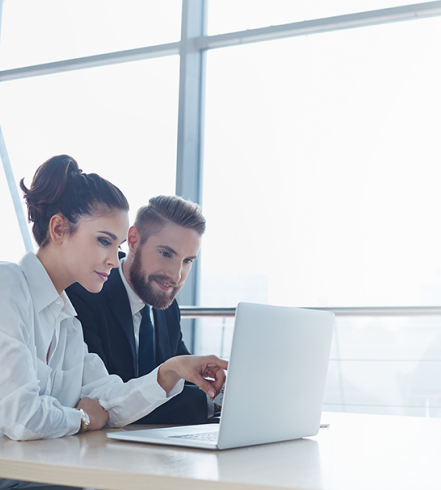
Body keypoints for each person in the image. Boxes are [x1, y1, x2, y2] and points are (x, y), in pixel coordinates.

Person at [0, 155, 227, 444]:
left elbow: (107, 398)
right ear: (58, 229)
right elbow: (21, 417)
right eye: (104, 241)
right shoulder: (7, 285)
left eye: (117, 245)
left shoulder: (66, 319)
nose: (113, 259)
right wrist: (82, 419)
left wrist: (169, 372)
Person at [66, 196, 220, 424]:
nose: (176, 275)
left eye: (187, 261)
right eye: (166, 254)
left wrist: (219, 388)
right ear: (133, 240)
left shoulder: (166, 306)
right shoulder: (85, 294)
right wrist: (210, 403)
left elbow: (184, 376)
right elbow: (112, 404)